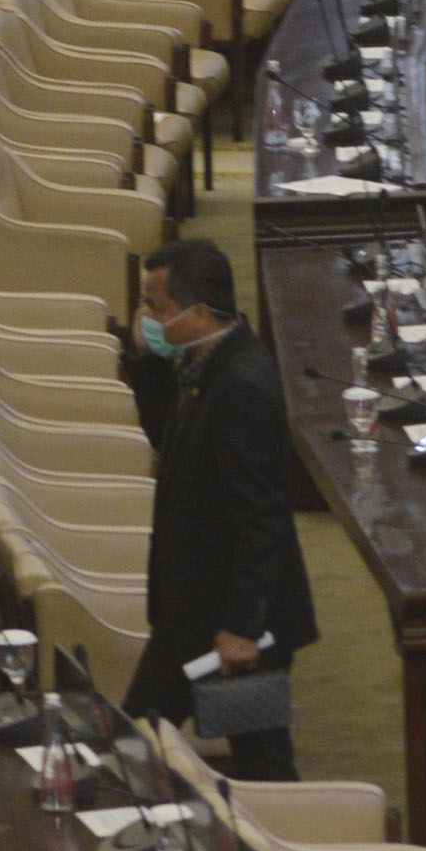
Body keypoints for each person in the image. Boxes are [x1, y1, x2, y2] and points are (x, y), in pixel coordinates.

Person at [118, 240, 315, 779]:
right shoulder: (202, 363)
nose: (148, 319)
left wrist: (242, 626)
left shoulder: (239, 385)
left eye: (157, 309)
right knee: (258, 761)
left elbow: (262, 518)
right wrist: (147, 363)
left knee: (139, 739)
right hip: (197, 607)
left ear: (201, 313)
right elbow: (171, 441)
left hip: (229, 619)